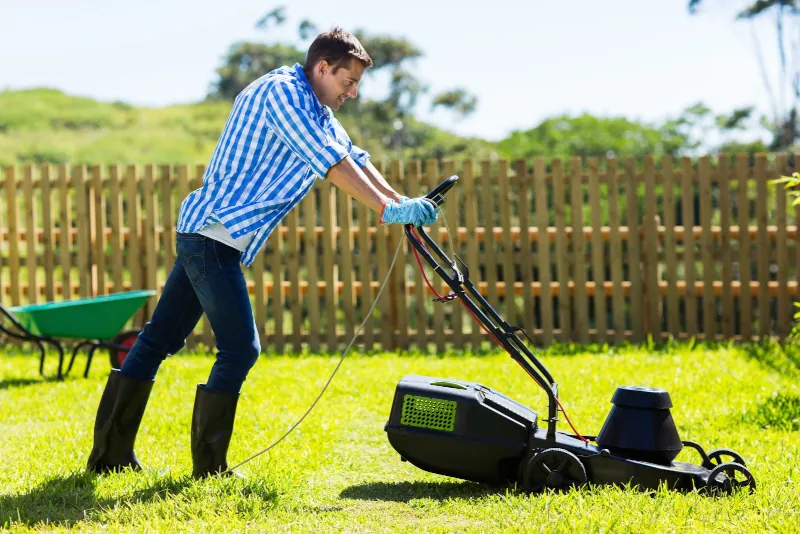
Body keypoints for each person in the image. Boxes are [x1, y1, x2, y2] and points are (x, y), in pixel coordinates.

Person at [85, 27, 439, 479]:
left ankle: (110, 456)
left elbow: (353, 156)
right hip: (213, 234)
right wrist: (388, 209)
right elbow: (329, 162)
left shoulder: (317, 106)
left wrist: (402, 204)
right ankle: (208, 468)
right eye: (348, 81)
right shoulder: (282, 93)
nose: (352, 92)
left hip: (214, 237)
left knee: (159, 340)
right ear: (323, 68)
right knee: (240, 348)